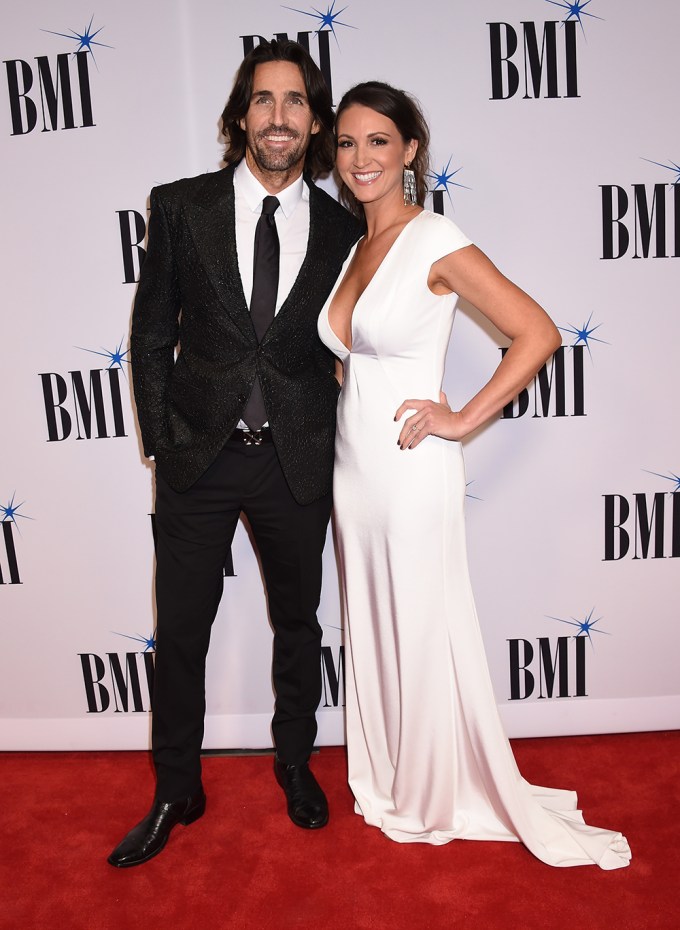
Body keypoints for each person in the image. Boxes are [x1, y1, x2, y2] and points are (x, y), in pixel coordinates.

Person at [318, 81, 631, 869]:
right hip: (354, 471)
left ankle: (433, 790)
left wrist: (462, 418)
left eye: (379, 143)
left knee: (422, 622)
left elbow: (536, 333)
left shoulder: (433, 238)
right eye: (348, 143)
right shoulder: (358, 246)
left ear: (410, 152)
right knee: (376, 622)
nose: (362, 159)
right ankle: (393, 772)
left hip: (413, 470)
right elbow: (359, 348)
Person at [108, 41, 362, 868]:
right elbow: (150, 334)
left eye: (295, 102)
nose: (278, 117)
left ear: (313, 121)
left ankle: (295, 762)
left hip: (295, 459)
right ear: (240, 115)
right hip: (199, 459)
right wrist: (164, 443)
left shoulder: (344, 226)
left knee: (298, 623)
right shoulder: (182, 206)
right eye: (263, 100)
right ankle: (177, 787)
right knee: (180, 630)